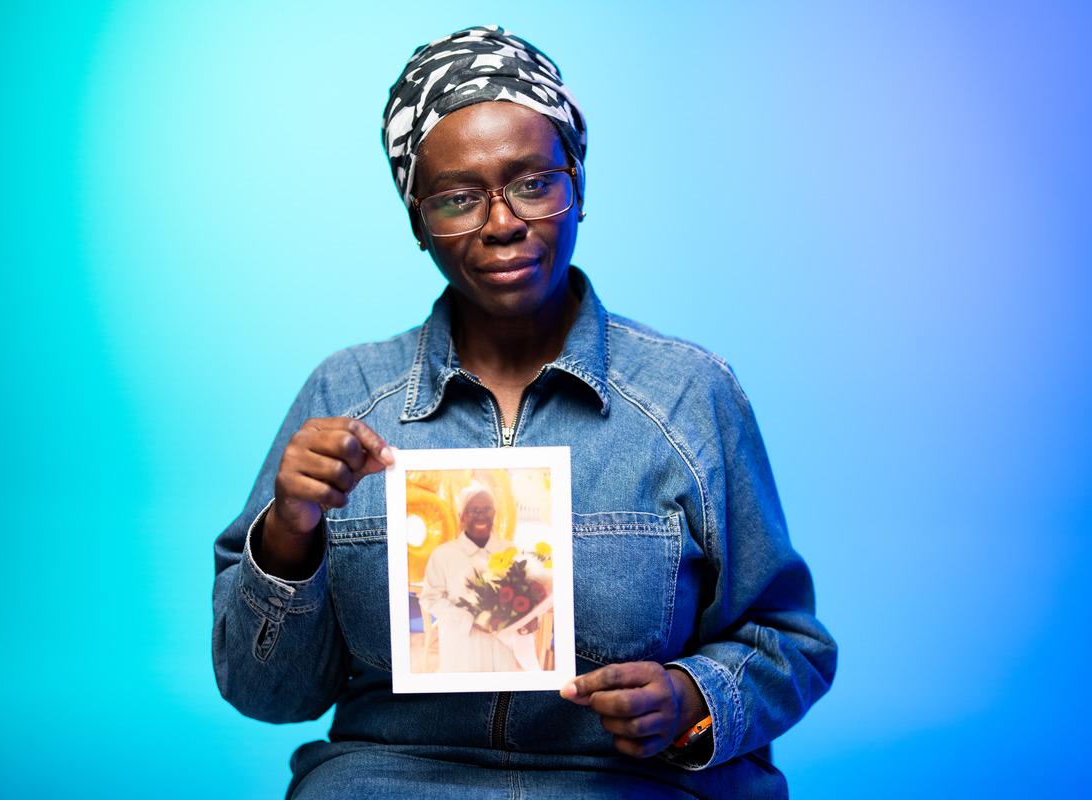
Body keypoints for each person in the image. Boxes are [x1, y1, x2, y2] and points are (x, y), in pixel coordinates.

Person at [212, 25, 837, 799]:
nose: (503, 221)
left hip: (632, 785)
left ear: (580, 182)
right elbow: (265, 692)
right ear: (417, 221)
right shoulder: (344, 395)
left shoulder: (689, 395)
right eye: (457, 198)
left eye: (534, 182)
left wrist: (689, 701)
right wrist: (289, 532)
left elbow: (790, 643)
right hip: (396, 781)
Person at [418, 483, 520, 672]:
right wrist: (470, 619)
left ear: (494, 514)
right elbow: (429, 598)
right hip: (463, 642)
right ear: (462, 516)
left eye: (486, 509)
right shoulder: (443, 554)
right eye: (474, 510)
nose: (481, 515)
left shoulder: (509, 550)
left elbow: (522, 592)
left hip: (503, 643)